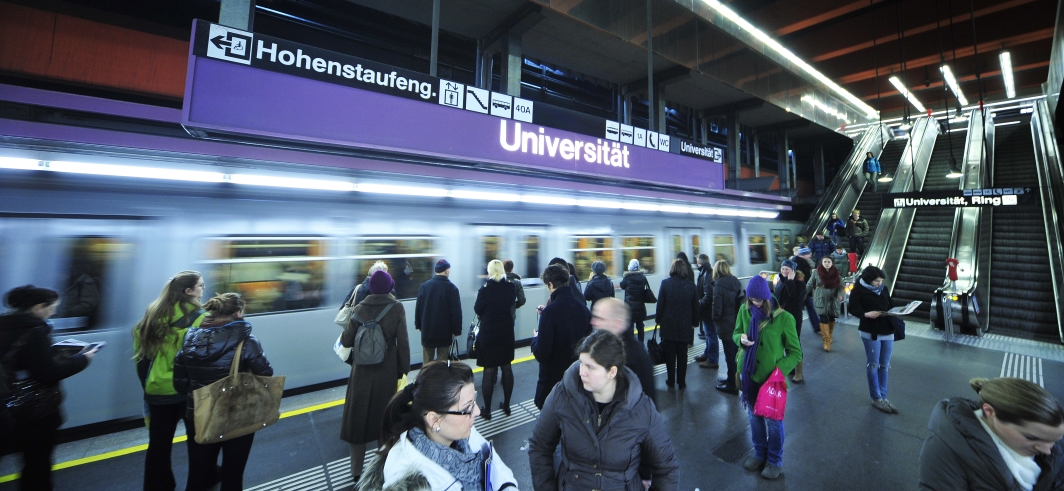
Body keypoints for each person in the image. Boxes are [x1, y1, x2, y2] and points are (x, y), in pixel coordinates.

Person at [529, 330, 680, 491]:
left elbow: (667, 468)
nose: (582, 372)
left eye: (590, 367)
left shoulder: (641, 408)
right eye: (581, 363)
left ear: (612, 372)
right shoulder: (563, 395)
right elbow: (539, 446)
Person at [358, 361, 518, 491]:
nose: (476, 411)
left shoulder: (463, 434)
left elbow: (499, 471)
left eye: (474, 401)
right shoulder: (411, 480)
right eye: (467, 408)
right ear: (434, 420)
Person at [0, 285, 97, 491]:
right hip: (34, 413)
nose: (53, 312)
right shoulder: (35, 331)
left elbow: (20, 362)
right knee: (37, 466)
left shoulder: (5, 326)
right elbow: (48, 373)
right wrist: (83, 359)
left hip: (5, 407)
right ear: (37, 307)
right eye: (51, 307)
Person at [173, 293, 273, 491]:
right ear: (238, 312)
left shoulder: (189, 340)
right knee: (233, 474)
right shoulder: (248, 342)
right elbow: (266, 374)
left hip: (199, 414)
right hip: (237, 413)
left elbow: (181, 386)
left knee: (198, 473)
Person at [132, 271, 207, 491]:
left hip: (157, 389)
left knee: (158, 446)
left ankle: (158, 486)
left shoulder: (152, 315)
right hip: (189, 390)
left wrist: (148, 385)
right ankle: (200, 482)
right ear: (189, 291)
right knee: (198, 441)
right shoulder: (201, 318)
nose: (204, 289)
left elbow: (141, 356)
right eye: (201, 286)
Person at [918, 377, 1064, 490]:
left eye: (1053, 440)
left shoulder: (1048, 441)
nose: (1047, 450)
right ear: (990, 412)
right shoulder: (945, 450)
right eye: (1031, 438)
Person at [339, 271, 410, 482]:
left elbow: (346, 340)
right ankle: (383, 467)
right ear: (389, 287)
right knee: (384, 419)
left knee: (357, 421)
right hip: (386, 371)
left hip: (360, 372)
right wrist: (403, 372)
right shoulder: (396, 307)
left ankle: (356, 472)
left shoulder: (360, 308)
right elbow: (403, 343)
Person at [734, 276, 802, 481]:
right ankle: (759, 454)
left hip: (771, 380)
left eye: (758, 299)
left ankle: (774, 461)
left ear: (766, 297)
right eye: (751, 299)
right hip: (750, 375)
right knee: (754, 418)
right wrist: (741, 339)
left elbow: (795, 353)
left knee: (773, 423)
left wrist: (777, 372)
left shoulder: (784, 318)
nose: (754, 302)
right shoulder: (744, 310)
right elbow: (736, 332)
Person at [531, 264, 591, 409]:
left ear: (551, 284)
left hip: (553, 382)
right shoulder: (582, 308)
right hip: (577, 378)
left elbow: (542, 354)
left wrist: (535, 339)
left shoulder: (550, 313)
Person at [847, 266, 899, 414]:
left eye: (881, 281)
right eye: (876, 281)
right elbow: (853, 308)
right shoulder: (858, 290)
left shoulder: (883, 289)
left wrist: (898, 311)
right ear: (868, 280)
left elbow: (890, 304)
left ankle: (884, 396)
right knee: (873, 364)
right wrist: (866, 314)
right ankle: (876, 397)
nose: (879, 283)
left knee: (885, 365)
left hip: (887, 329)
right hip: (869, 330)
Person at [473, 260, 518, 419]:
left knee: (489, 370)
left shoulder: (484, 290)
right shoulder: (510, 287)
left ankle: (487, 410)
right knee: (506, 368)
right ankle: (506, 406)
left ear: (490, 271)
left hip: (489, 333)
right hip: (505, 332)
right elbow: (512, 303)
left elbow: (478, 309)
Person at [590, 297, 655, 402]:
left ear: (617, 323)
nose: (593, 322)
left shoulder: (635, 357)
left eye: (600, 318)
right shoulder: (604, 347)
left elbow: (647, 401)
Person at [657, 258, 699, 389]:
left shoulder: (665, 283)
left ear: (673, 269)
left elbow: (660, 305)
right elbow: (695, 306)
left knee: (670, 355)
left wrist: (658, 320)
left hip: (668, 324)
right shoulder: (691, 285)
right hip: (685, 325)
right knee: (683, 355)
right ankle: (682, 382)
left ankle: (670, 380)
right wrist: (695, 322)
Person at [414, 259, 462, 363]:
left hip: (427, 331)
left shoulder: (425, 286)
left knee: (427, 362)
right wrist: (456, 330)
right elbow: (456, 312)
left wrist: (419, 325)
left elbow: (418, 308)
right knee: (442, 362)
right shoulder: (452, 288)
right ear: (446, 271)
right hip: (444, 333)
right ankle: (440, 379)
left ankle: (427, 378)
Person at [711, 260, 742, 394]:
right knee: (734, 354)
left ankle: (732, 385)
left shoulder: (718, 286)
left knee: (729, 356)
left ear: (717, 270)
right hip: (737, 323)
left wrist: (714, 319)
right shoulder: (736, 281)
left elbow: (717, 309)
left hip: (726, 325)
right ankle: (733, 378)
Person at [775, 259, 807, 384]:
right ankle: (790, 366)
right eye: (782, 269)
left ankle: (799, 372)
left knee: (794, 342)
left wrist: (789, 281)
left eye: (787, 269)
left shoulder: (799, 283)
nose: (784, 271)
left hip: (793, 317)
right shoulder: (780, 281)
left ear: (793, 270)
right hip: (780, 316)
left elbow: (795, 298)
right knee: (783, 341)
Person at [807, 257, 844, 352]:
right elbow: (810, 285)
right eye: (825, 262)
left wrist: (840, 295)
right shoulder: (816, 272)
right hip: (820, 298)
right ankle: (826, 341)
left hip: (833, 298)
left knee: (831, 317)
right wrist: (802, 295)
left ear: (832, 263)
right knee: (823, 318)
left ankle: (830, 336)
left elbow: (841, 286)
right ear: (821, 262)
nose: (827, 263)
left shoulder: (836, 273)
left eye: (829, 262)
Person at [694, 254, 719, 369]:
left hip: (708, 310)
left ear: (700, 262)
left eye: (697, 261)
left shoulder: (707, 273)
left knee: (711, 334)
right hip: (707, 309)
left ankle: (712, 359)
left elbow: (709, 295)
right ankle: (707, 353)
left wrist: (699, 305)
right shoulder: (705, 271)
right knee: (708, 333)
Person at [620, 259, 651, 343]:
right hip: (640, 306)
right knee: (640, 325)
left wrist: (625, 275)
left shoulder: (627, 277)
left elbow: (622, 286)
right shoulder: (643, 277)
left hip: (629, 307)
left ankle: (632, 344)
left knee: (630, 326)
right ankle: (641, 343)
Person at [792, 247, 822, 336]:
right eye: (808, 254)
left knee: (809, 307)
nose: (810, 255)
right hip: (801, 291)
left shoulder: (804, 262)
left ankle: (817, 326)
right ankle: (794, 327)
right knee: (799, 310)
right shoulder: (798, 263)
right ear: (804, 255)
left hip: (805, 290)